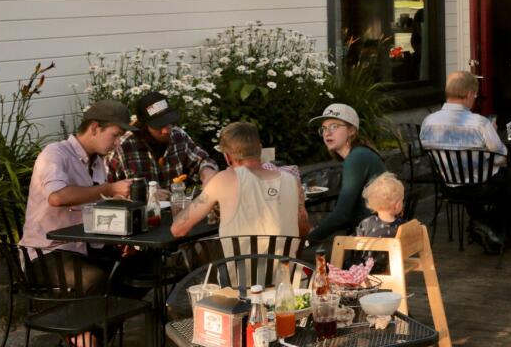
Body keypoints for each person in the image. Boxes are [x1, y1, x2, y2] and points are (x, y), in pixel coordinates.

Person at [21, 100, 136, 347]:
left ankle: (85, 338)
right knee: (96, 278)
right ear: (95, 128)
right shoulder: (55, 154)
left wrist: (121, 238)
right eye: (115, 135)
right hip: (45, 253)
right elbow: (58, 198)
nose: (117, 143)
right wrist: (108, 189)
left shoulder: (96, 162)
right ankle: (81, 337)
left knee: (137, 269)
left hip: (83, 247)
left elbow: (93, 210)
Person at [420, 71, 511, 254]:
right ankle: (492, 225)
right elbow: (502, 158)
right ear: (470, 94)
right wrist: (492, 134)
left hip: (450, 185)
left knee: (486, 180)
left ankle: (482, 222)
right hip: (483, 186)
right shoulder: (479, 123)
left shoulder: (428, 122)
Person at [171, 122, 309, 243]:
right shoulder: (291, 180)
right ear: (260, 149)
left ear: (226, 157)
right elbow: (303, 229)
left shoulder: (222, 180)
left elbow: (178, 229)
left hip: (240, 272)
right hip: (286, 271)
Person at [305, 104, 386, 247]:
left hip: (375, 239)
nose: (327, 133)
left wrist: (306, 241)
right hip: (376, 232)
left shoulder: (357, 157)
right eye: (323, 129)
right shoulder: (359, 154)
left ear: (351, 131)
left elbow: (341, 215)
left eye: (334, 126)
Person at [107, 91, 218, 189]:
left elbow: (202, 160)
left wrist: (207, 172)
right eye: (159, 125)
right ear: (144, 125)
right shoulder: (123, 147)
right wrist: (146, 195)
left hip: (176, 207)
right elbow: (106, 189)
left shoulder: (178, 136)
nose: (166, 130)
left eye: (168, 122)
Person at [356, 172, 408, 239]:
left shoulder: (365, 224)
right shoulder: (403, 226)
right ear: (397, 204)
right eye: (402, 200)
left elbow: (357, 244)